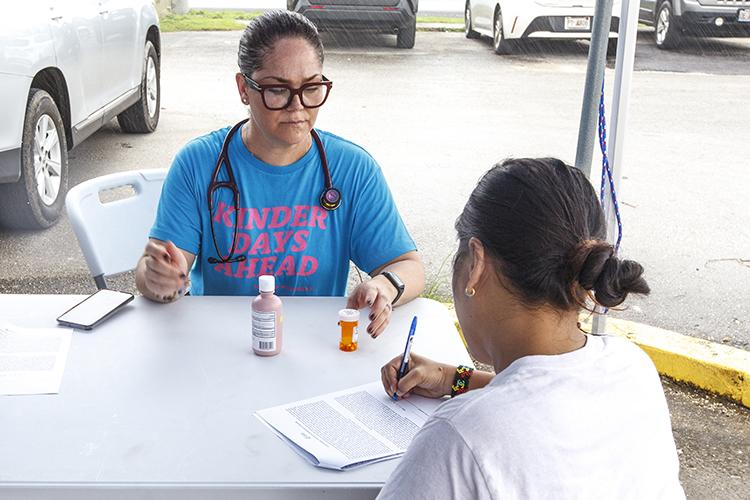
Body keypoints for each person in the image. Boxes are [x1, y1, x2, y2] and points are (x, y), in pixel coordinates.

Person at [378, 158, 685, 499]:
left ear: (476, 265)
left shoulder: (461, 438)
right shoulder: (633, 367)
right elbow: (548, 404)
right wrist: (454, 379)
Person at [135, 10, 423, 337]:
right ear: (244, 88)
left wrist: (386, 285)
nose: (297, 106)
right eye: (277, 90)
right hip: (218, 345)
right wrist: (158, 278)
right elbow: (154, 271)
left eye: (311, 87)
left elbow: (408, 266)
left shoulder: (353, 169)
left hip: (317, 342)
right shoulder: (198, 164)